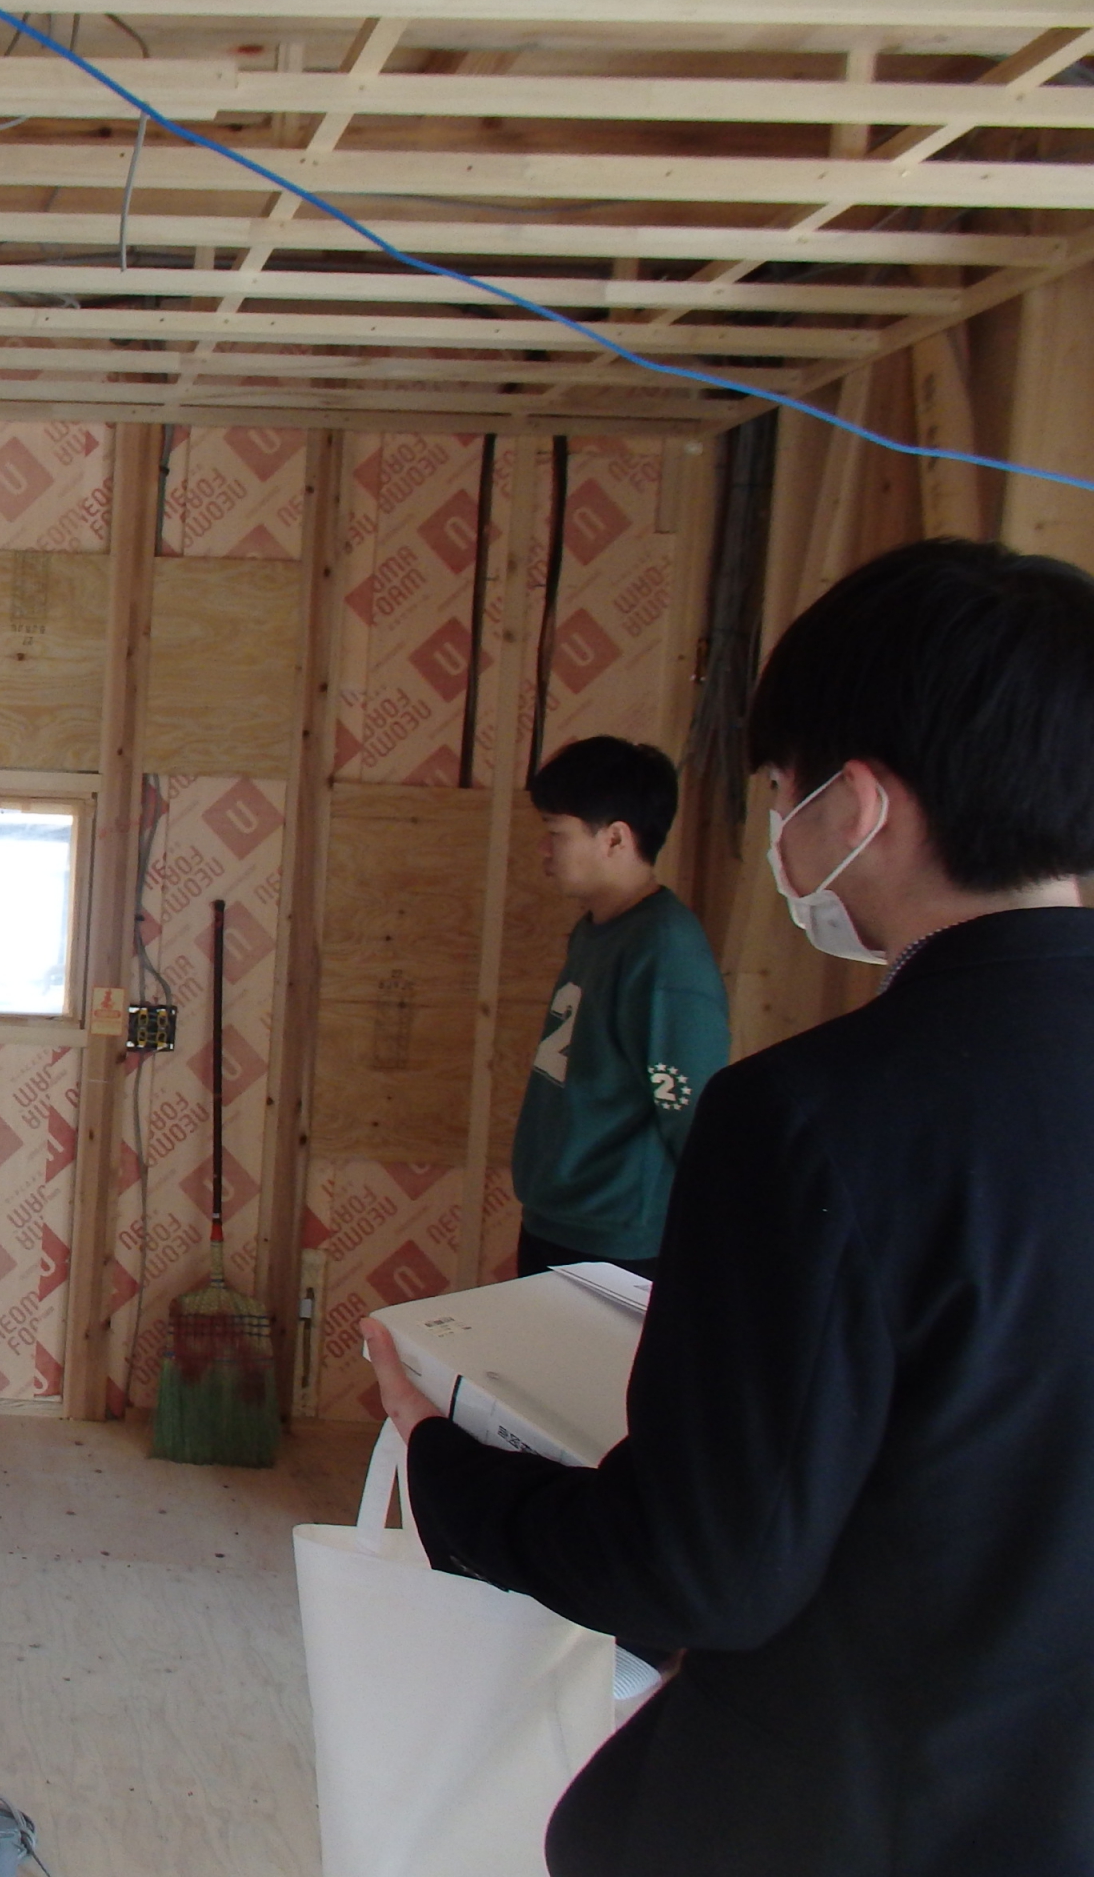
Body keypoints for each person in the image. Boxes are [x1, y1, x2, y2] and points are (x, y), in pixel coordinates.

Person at [365, 537, 1094, 1877]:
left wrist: (441, 1458)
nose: (776, 836)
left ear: (858, 803)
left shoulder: (812, 1119)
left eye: (777, 793)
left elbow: (704, 1569)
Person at [512, 736, 728, 1279]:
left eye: (556, 832)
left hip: (617, 1240)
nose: (543, 849)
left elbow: (693, 1115)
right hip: (557, 1219)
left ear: (614, 838)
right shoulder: (597, 931)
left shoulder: (665, 950)